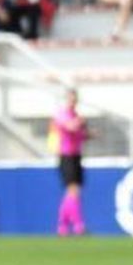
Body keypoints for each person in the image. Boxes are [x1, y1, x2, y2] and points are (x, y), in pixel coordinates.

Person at [51, 89, 89, 235]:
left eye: (75, 99)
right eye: (71, 99)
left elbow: (79, 135)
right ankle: (78, 225)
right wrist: (79, 122)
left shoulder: (76, 115)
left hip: (76, 155)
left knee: (73, 192)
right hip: (66, 155)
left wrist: (89, 134)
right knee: (73, 190)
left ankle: (63, 225)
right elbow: (69, 127)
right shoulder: (62, 114)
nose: (73, 102)